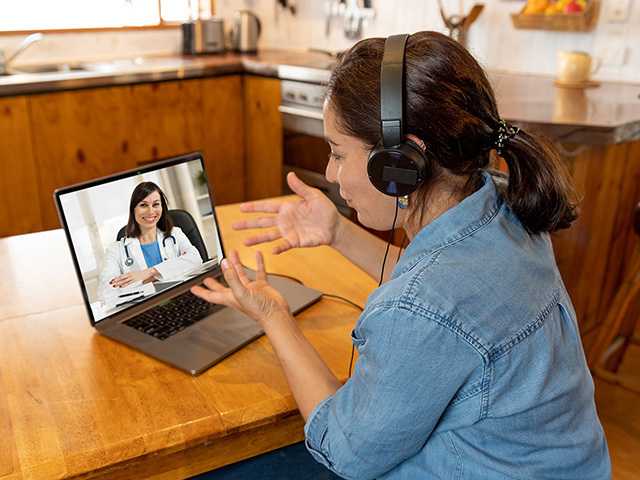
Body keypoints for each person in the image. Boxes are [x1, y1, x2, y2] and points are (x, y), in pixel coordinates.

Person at [191, 31, 610, 479]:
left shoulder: (421, 305)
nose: (331, 174)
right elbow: (443, 301)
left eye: (337, 152)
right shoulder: (503, 212)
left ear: (400, 161)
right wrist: (338, 232)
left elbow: (346, 450)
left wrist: (273, 315)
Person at [97, 181, 202, 302]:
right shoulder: (115, 250)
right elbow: (106, 291)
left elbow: (196, 259)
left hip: (184, 299)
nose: (151, 211)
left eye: (156, 204)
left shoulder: (175, 234)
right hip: (145, 308)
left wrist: (147, 274)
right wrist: (170, 270)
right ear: (133, 209)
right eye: (143, 205)